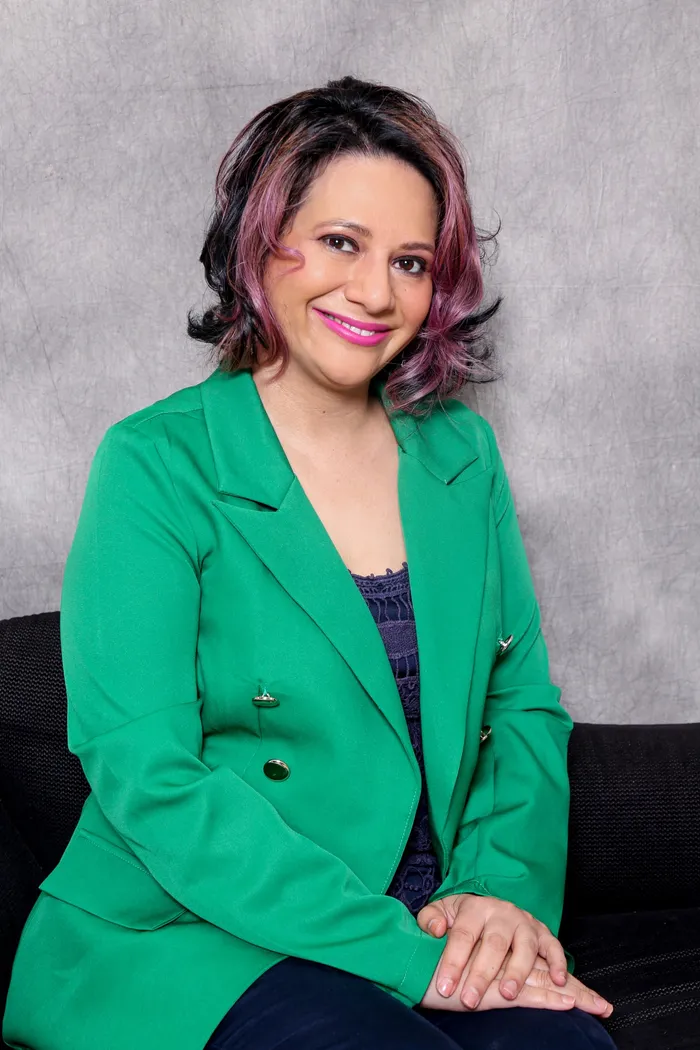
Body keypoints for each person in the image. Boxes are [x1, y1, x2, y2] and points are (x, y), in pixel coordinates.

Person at [2, 75, 618, 1050]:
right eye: (340, 242)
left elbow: (519, 707)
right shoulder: (155, 464)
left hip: (440, 913)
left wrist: (500, 901)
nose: (375, 293)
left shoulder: (462, 456)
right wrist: (411, 961)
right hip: (202, 935)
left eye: (410, 261)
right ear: (261, 239)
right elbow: (153, 780)